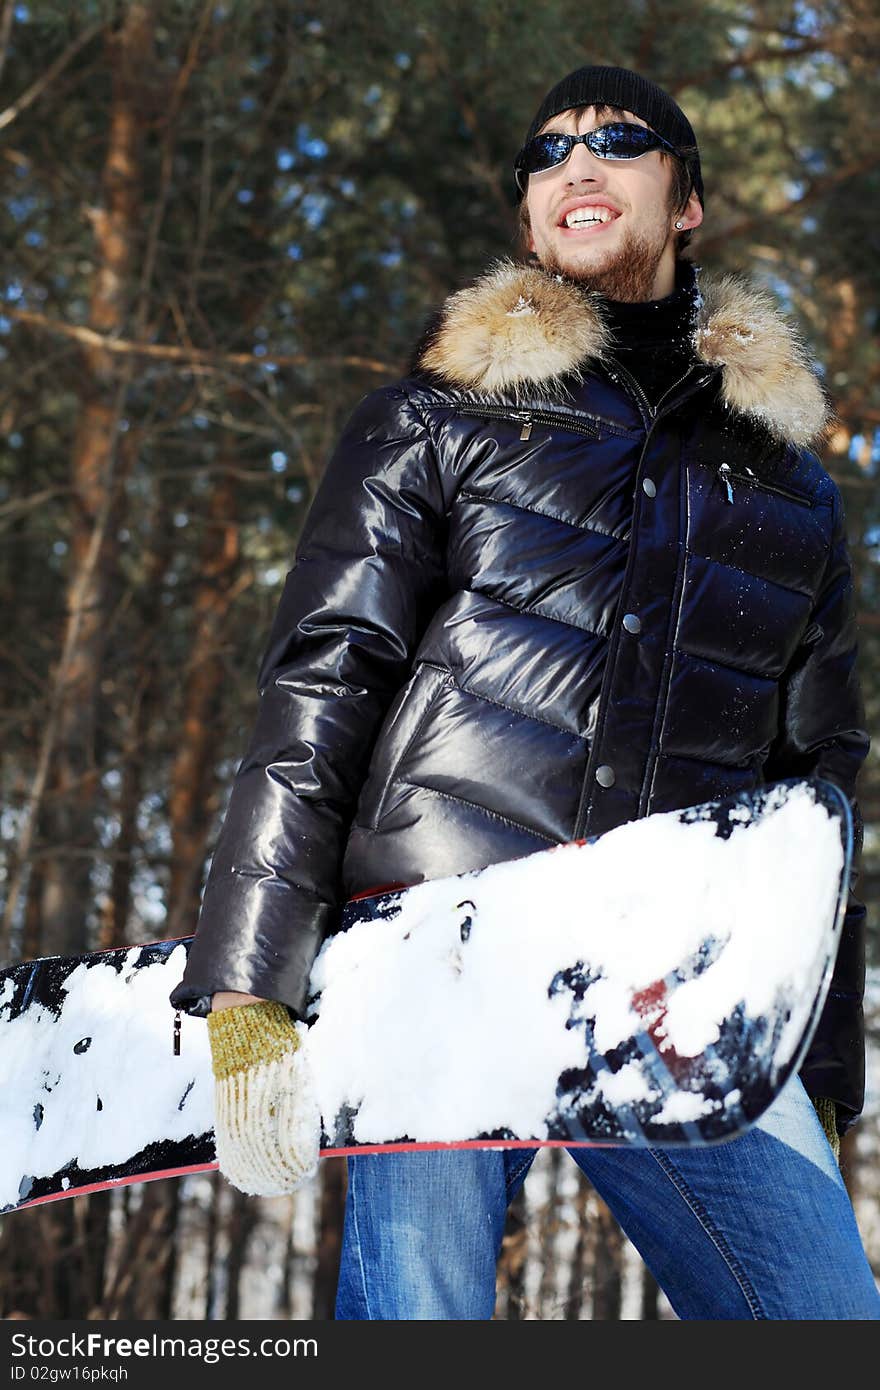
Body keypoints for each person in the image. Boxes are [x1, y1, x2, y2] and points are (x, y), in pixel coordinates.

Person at [170, 65, 880, 1319]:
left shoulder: (788, 489)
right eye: (544, 156)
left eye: (617, 141)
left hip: (679, 976)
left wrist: (811, 1053)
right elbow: (322, 683)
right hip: (443, 945)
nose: (575, 168)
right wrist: (249, 979)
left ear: (689, 200)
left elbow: (814, 789)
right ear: (527, 213)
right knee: (422, 1311)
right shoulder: (441, 416)